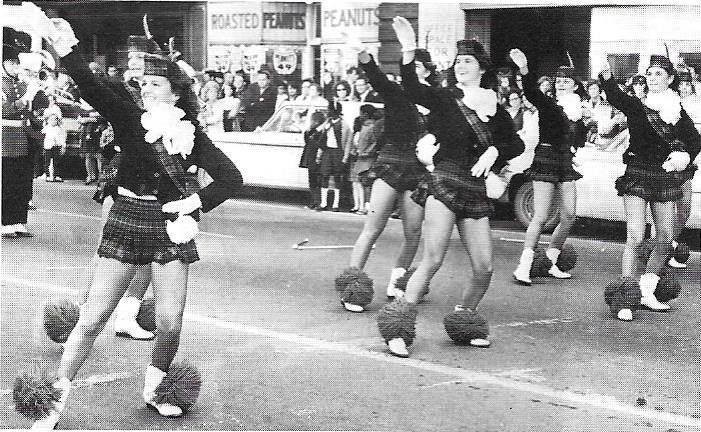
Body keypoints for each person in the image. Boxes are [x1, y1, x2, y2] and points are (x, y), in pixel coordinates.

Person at [32, 15, 243, 429]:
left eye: (155, 84)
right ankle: (53, 401)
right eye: (144, 84)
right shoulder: (130, 118)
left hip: (168, 229)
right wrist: (65, 48)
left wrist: (192, 205)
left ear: (176, 92)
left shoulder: (193, 135)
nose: (145, 89)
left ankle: (156, 388)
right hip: (126, 220)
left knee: (169, 321)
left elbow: (231, 178)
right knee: (93, 317)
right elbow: (93, 87)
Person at [383, 17, 524, 356]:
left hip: (474, 189)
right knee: (432, 259)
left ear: (480, 69)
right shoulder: (446, 98)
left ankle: (464, 318)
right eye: (458, 61)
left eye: (468, 61)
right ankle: (398, 329)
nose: (461, 66)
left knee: (485, 267)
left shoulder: (494, 106)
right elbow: (414, 89)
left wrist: (495, 149)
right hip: (444, 181)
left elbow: (515, 146)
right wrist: (408, 51)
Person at [337, 39, 439, 313]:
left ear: (427, 71)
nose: (411, 69)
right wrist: (362, 54)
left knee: (414, 232)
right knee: (372, 229)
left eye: (416, 65)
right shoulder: (396, 92)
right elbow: (377, 78)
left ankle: (397, 281)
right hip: (392, 163)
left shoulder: (438, 100)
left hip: (418, 171)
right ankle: (351, 287)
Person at [598, 53, 700, 321]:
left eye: (658, 74)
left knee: (666, 237)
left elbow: (695, 139)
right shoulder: (637, 105)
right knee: (635, 234)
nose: (652, 78)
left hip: (664, 175)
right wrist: (607, 78)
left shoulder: (677, 111)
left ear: (669, 79)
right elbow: (617, 98)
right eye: (650, 73)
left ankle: (645, 290)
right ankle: (624, 296)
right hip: (638, 172)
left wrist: (683, 157)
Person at [510, 48, 587, 286]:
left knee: (570, 215)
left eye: (567, 80)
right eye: (559, 80)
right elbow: (532, 92)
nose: (562, 83)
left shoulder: (579, 110)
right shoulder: (548, 103)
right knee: (541, 216)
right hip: (545, 157)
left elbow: (579, 137)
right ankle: (524, 266)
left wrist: (575, 148)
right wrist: (524, 69)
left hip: (565, 160)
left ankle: (551, 260)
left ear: (575, 86)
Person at [2, 37, 36, 238]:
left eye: (17, 63)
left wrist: (36, 92)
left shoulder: (22, 84)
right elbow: (5, 110)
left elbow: (32, 111)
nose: (15, 67)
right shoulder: (2, 84)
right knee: (7, 181)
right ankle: (6, 222)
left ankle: (19, 221)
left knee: (22, 182)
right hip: (6, 138)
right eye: (12, 63)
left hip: (24, 137)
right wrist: (25, 99)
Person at [668, 69, 701, 268]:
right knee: (664, 209)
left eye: (688, 84)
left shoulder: (695, 104)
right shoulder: (665, 103)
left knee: (684, 208)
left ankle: (667, 246)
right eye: (681, 84)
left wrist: (689, 156)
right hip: (665, 161)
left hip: (686, 163)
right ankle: (658, 250)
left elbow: (696, 138)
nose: (684, 87)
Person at [314, 103, 352, 212]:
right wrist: (319, 155)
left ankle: (335, 204)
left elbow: (348, 142)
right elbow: (322, 139)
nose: (327, 112)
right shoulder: (327, 123)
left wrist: (345, 157)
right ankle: (323, 203)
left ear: (335, 111)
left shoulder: (344, 125)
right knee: (324, 176)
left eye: (329, 110)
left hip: (338, 152)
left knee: (337, 177)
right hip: (327, 151)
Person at [348, 104, 379, 215]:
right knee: (361, 182)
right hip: (360, 158)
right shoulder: (364, 127)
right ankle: (363, 206)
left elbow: (375, 143)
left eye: (361, 113)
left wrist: (366, 152)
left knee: (367, 184)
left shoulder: (372, 127)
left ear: (365, 114)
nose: (360, 115)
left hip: (367, 159)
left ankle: (367, 207)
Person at [300, 111, 325, 209]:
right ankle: (314, 201)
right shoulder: (311, 131)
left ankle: (316, 201)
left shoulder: (320, 132)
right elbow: (306, 139)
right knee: (312, 181)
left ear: (317, 122)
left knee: (315, 181)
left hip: (315, 158)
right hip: (310, 158)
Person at [42, 112, 66, 181]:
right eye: (51, 119)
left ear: (57, 121)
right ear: (48, 120)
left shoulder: (59, 129)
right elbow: (42, 135)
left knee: (56, 161)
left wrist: (63, 146)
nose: (53, 121)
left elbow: (62, 138)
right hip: (48, 147)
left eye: (55, 119)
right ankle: (47, 175)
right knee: (47, 161)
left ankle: (56, 175)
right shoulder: (46, 128)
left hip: (56, 147)